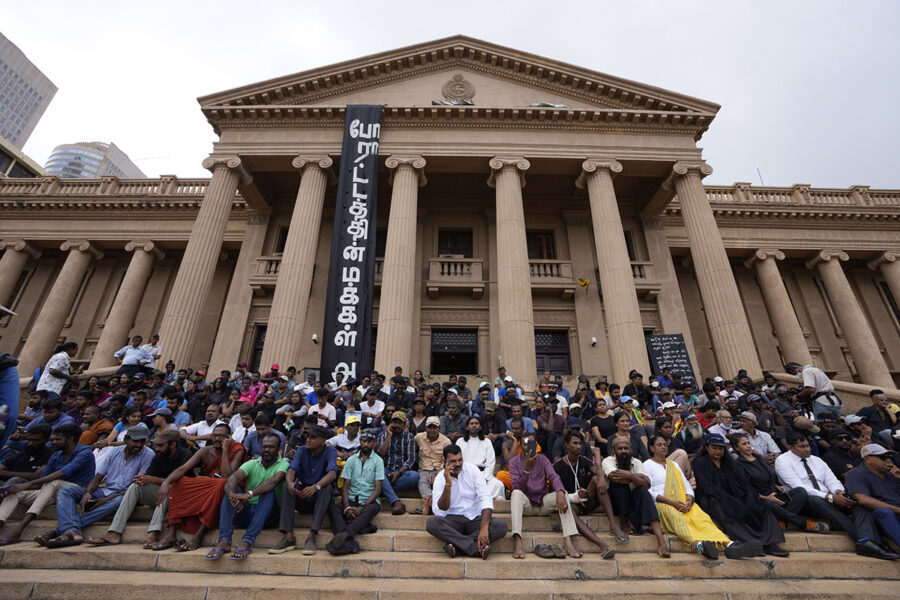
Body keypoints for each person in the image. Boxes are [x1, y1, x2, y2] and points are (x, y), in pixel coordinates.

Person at [774, 432, 894, 559]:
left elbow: (831, 480)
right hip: (806, 501)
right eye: (802, 446)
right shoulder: (782, 460)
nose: (807, 449)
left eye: (808, 445)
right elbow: (798, 486)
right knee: (815, 500)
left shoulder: (817, 460)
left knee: (857, 502)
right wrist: (829, 497)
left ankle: (869, 539)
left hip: (828, 497)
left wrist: (839, 492)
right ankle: (864, 541)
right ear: (791, 447)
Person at [41, 426, 154, 548]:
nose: (139, 444)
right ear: (126, 439)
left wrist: (106, 500)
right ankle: (71, 530)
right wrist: (88, 493)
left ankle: (60, 530)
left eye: (142, 441)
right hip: (104, 490)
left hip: (125, 494)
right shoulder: (114, 452)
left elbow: (137, 486)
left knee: (118, 501)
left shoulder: (148, 454)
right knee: (66, 491)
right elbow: (98, 477)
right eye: (135, 441)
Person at [85, 429, 192, 547]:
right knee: (135, 486)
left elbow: (183, 483)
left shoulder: (186, 455)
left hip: (181, 496)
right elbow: (148, 477)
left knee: (167, 490)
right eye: (157, 445)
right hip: (159, 492)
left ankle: (153, 533)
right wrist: (142, 479)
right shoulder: (159, 455)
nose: (157, 448)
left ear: (173, 444)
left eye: (161, 445)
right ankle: (114, 532)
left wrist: (155, 481)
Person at [156, 423, 246, 551]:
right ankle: (171, 533)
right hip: (210, 484)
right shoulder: (205, 450)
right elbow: (183, 468)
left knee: (222, 483)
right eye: (214, 435)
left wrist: (225, 450)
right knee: (179, 482)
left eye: (221, 436)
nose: (217, 439)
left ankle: (199, 535)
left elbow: (228, 476)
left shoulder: (238, 449)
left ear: (229, 437)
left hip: (227, 488)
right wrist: (166, 482)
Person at [644, 434, 736, 559]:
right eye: (659, 445)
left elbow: (686, 485)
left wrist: (688, 500)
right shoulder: (647, 465)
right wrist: (671, 502)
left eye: (665, 445)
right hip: (663, 504)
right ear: (651, 448)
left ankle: (729, 545)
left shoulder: (673, 465)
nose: (663, 447)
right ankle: (700, 546)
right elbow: (648, 491)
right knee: (679, 519)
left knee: (702, 518)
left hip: (682, 501)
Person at [693, 433, 786, 557]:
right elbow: (706, 487)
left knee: (760, 505)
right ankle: (753, 543)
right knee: (721, 506)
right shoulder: (699, 462)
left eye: (720, 448)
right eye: (714, 448)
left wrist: (748, 497)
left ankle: (770, 544)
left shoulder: (730, 462)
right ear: (707, 448)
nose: (718, 451)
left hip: (734, 497)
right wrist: (730, 500)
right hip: (713, 499)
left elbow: (742, 484)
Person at [0, 424, 94, 545]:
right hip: (51, 493)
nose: (53, 442)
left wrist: (27, 484)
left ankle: (19, 529)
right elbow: (43, 479)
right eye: (53, 439)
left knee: (53, 482)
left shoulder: (85, 452)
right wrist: (14, 488)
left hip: (77, 491)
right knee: (16, 494)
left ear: (71, 439)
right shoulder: (57, 454)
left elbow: (62, 473)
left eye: (58, 439)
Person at [206, 432, 288, 560]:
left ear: (278, 450)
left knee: (268, 491)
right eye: (264, 446)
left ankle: (247, 540)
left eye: (271, 447)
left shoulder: (283, 464)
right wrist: (232, 495)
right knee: (231, 487)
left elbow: (273, 481)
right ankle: (224, 540)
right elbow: (233, 477)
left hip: (269, 515)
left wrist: (249, 494)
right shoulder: (252, 463)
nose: (266, 449)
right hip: (246, 511)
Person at [732, 432, 829, 534]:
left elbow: (767, 475)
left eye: (748, 443)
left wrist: (776, 486)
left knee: (801, 491)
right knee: (769, 504)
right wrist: (767, 497)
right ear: (736, 448)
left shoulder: (758, 457)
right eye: (744, 444)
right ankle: (804, 524)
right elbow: (747, 489)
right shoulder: (738, 464)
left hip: (775, 494)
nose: (748, 446)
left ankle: (783, 521)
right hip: (760, 499)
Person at [425, 443, 508, 559]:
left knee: (500, 525)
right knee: (432, 523)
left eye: (460, 460)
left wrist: (484, 528)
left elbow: (485, 497)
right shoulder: (440, 479)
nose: (458, 464)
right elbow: (440, 511)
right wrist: (448, 484)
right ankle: (476, 548)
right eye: (453, 461)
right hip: (453, 520)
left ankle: (457, 546)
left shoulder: (472, 470)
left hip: (475, 518)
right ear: (445, 460)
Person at [270, 425, 343, 555]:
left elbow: (332, 474)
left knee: (326, 488)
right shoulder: (302, 450)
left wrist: (316, 487)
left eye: (312, 438)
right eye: (307, 437)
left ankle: (312, 536)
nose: (308, 440)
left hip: (319, 499)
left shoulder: (330, 451)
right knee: (287, 486)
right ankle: (288, 536)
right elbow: (291, 470)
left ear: (322, 440)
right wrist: (290, 483)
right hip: (302, 496)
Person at [508, 432, 582, 559]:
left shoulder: (542, 459)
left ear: (536, 445)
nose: (527, 447)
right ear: (520, 445)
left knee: (562, 493)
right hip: (527, 505)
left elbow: (554, 476)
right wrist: (526, 470)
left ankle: (568, 542)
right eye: (525, 445)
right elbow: (517, 487)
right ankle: (517, 540)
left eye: (530, 444)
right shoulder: (514, 462)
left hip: (542, 503)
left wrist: (559, 492)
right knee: (515, 494)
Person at [552, 430, 621, 554]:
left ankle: (613, 525)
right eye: (575, 443)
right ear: (567, 445)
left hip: (587, 499)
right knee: (568, 509)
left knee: (596, 479)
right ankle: (601, 544)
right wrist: (573, 496)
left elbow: (597, 470)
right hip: (572, 504)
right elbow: (556, 491)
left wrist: (601, 478)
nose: (579, 446)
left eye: (580, 444)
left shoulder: (583, 460)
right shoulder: (557, 466)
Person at [601, 436, 669, 556]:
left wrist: (629, 475)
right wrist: (636, 478)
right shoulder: (608, 460)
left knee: (643, 491)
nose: (623, 451)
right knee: (619, 485)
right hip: (615, 502)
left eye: (626, 448)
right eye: (620, 448)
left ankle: (661, 541)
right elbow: (614, 477)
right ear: (613, 450)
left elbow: (646, 485)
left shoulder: (637, 462)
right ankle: (623, 522)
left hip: (632, 501)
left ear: (631, 450)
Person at [328, 428, 384, 555]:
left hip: (369, 501)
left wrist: (362, 506)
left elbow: (378, 489)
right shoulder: (351, 460)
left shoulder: (378, 461)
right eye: (364, 441)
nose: (366, 444)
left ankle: (344, 535)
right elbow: (345, 487)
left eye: (369, 441)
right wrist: (347, 507)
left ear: (374, 443)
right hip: (352, 499)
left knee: (369, 509)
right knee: (333, 508)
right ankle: (351, 540)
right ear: (360, 441)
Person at [845, 444, 900, 558]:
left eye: (890, 457)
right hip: (877, 518)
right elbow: (863, 500)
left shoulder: (892, 476)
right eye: (883, 457)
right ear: (867, 459)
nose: (889, 460)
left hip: (896, 513)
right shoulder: (856, 473)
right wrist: (897, 510)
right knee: (885, 512)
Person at [376, 412, 418, 514]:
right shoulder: (383, 435)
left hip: (401, 472)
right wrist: (389, 436)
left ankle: (383, 488)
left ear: (404, 425)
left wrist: (398, 472)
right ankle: (396, 502)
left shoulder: (409, 436)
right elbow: (381, 453)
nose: (397, 425)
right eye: (395, 422)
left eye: (400, 423)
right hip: (385, 470)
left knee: (415, 476)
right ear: (391, 423)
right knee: (378, 474)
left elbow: (411, 459)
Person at [457, 415, 505, 500]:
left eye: (476, 423)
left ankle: (481, 499)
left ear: (480, 427)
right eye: (471, 423)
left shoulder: (487, 442)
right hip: (466, 474)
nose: (474, 425)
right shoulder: (460, 441)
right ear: (467, 427)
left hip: (483, 474)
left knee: (498, 485)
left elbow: (491, 463)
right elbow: (458, 461)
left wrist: (484, 478)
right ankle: (486, 499)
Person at [414, 416, 450, 515]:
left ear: (439, 428)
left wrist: (440, 471)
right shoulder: (419, 437)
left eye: (435, 427)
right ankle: (431, 501)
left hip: (440, 469)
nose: (432, 430)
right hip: (424, 469)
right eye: (430, 427)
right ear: (425, 428)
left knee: (442, 481)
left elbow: (448, 460)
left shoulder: (446, 441)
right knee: (422, 481)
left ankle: (428, 505)